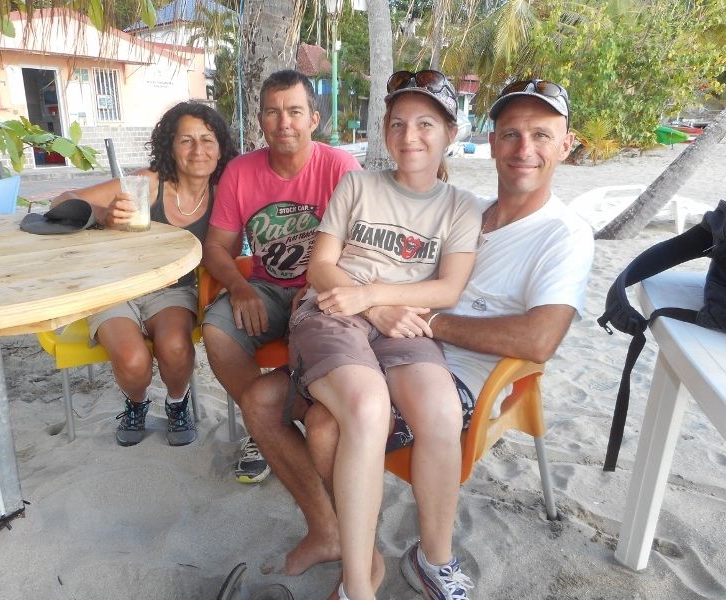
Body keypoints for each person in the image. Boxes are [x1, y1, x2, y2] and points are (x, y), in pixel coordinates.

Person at [245, 78, 594, 600]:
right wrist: (364, 302)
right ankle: (353, 559)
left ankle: (423, 559)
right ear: (491, 140)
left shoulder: (557, 232)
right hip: (383, 331)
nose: (524, 148)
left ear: (565, 145)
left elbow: (537, 339)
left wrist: (386, 306)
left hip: (435, 351)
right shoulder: (476, 210)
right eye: (511, 134)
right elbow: (331, 264)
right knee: (274, 402)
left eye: (541, 135)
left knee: (332, 424)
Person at [288, 70, 480, 600]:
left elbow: (448, 288)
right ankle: (358, 586)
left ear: (449, 133)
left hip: (401, 319)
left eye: (425, 124)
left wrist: (376, 299)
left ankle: (434, 560)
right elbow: (320, 267)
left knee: (441, 411)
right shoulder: (358, 185)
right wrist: (370, 306)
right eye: (397, 124)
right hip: (334, 309)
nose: (409, 136)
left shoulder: (460, 206)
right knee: (367, 408)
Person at [201, 69, 361, 483]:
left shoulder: (341, 167)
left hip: (327, 288)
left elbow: (360, 249)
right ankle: (266, 429)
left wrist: (312, 291)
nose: (283, 122)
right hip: (265, 287)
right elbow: (216, 247)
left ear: (314, 119)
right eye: (272, 112)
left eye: (294, 111)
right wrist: (238, 287)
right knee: (217, 330)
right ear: (260, 121)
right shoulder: (240, 172)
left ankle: (291, 419)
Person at [51, 101, 237, 447]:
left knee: (175, 348)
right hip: (117, 287)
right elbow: (62, 200)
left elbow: (229, 252)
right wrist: (104, 214)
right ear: (170, 147)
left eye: (207, 140)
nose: (198, 150)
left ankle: (177, 403)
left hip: (174, 290)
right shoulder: (148, 184)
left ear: (221, 148)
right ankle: (136, 403)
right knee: (133, 360)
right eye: (186, 140)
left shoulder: (223, 194)